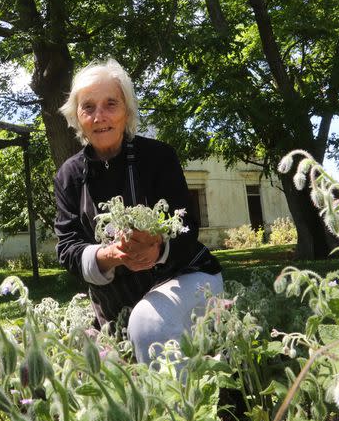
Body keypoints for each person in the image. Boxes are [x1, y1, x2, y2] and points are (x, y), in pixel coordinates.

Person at [53, 59, 222, 364]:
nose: (99, 116)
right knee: (101, 363)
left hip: (188, 275)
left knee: (147, 324)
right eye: (88, 107)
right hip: (113, 300)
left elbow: (186, 228)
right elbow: (67, 248)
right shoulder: (69, 175)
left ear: (127, 111)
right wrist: (110, 255)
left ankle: (180, 410)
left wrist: (156, 248)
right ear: (76, 117)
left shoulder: (157, 158)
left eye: (110, 104)